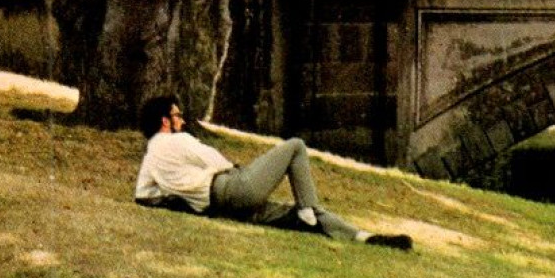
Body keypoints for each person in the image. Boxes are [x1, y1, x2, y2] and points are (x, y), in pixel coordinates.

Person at [134, 96, 411, 248]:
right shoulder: (178, 140)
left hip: (218, 207)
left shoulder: (151, 158)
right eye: (178, 115)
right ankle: (315, 211)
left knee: (300, 216)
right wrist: (236, 173)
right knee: (295, 146)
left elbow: (143, 195)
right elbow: (216, 160)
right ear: (165, 121)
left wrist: (182, 199)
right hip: (231, 189)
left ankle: (364, 237)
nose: (182, 120)